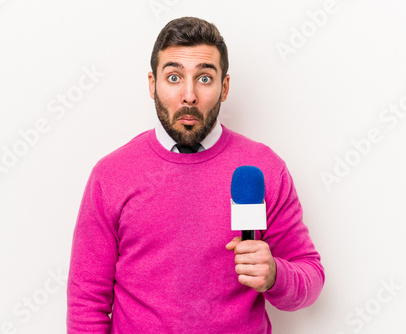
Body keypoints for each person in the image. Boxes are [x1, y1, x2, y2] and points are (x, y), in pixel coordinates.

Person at [67, 16, 324, 333]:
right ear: (152, 84)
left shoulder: (263, 169)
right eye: (174, 77)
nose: (188, 95)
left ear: (224, 87)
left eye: (204, 79)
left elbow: (310, 276)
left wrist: (275, 275)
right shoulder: (111, 175)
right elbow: (87, 303)